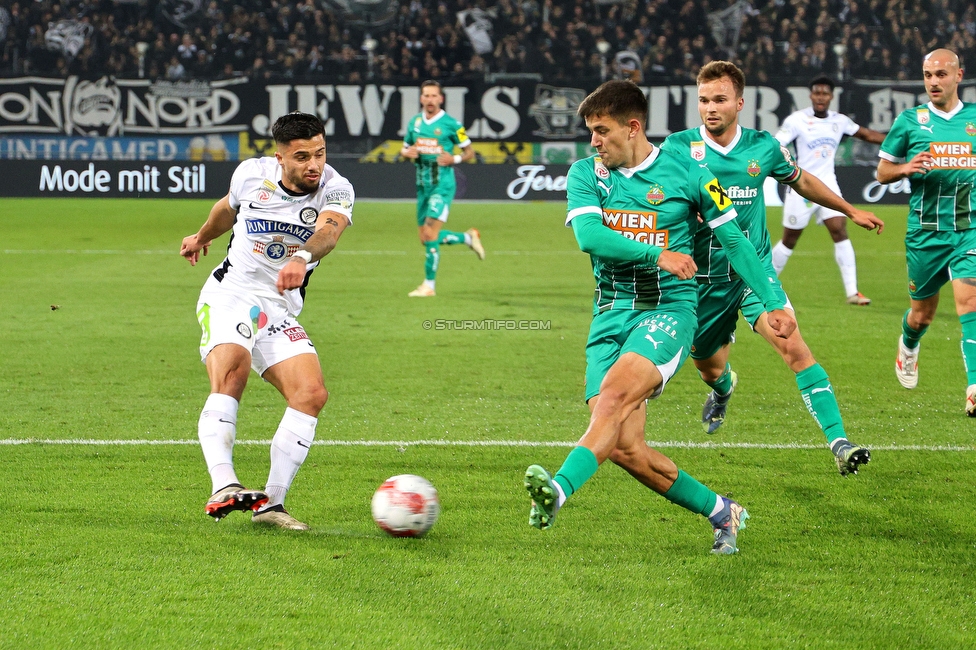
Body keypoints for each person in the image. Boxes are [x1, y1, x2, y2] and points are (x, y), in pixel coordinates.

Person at [523, 80, 798, 555]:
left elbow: (735, 240)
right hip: (609, 314)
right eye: (590, 131)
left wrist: (773, 300)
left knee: (610, 401)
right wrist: (659, 253)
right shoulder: (586, 175)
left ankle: (558, 490)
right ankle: (722, 511)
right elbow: (590, 237)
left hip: (668, 310)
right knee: (626, 447)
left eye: (601, 131)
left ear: (632, 128)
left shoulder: (689, 173)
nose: (594, 141)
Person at [661, 61, 884, 475]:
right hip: (701, 281)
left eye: (720, 99)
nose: (711, 108)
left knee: (794, 347)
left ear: (739, 103)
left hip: (753, 275)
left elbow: (803, 180)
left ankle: (839, 441)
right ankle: (724, 389)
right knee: (709, 367)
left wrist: (849, 209)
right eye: (704, 100)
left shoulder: (763, 147)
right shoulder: (677, 148)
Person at [179, 112, 354, 530]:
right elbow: (227, 209)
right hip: (231, 294)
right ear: (280, 157)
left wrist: (301, 256)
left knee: (311, 393)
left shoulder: (337, 187)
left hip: (278, 308)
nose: (314, 164)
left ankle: (271, 505)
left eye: (320, 153)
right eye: (302, 157)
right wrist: (203, 236)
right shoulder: (251, 175)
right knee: (233, 372)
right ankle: (224, 484)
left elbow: (329, 231)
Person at [877, 49, 976, 414]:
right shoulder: (910, 121)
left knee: (971, 304)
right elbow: (882, 173)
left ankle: (974, 385)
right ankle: (909, 343)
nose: (933, 81)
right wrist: (905, 168)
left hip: (969, 229)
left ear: (958, 75)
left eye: (940, 74)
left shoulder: (974, 118)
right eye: (927, 75)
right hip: (926, 234)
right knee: (923, 315)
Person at [771, 74, 887, 305]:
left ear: (831, 96)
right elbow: (776, 143)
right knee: (789, 240)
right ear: (811, 95)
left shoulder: (839, 121)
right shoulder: (797, 120)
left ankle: (853, 292)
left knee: (840, 230)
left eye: (825, 93)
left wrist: (896, 141)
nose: (821, 97)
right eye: (817, 93)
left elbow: (865, 134)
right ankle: (763, 284)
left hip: (829, 185)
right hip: (802, 186)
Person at [400, 80, 484, 297]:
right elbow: (406, 147)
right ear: (421, 98)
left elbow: (470, 152)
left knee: (430, 233)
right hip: (422, 187)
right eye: (426, 95)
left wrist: (454, 157)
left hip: (442, 186)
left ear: (441, 98)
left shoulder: (452, 124)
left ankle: (429, 286)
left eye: (433, 96)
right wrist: (405, 153)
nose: (430, 99)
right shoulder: (415, 123)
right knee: (425, 238)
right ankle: (468, 238)